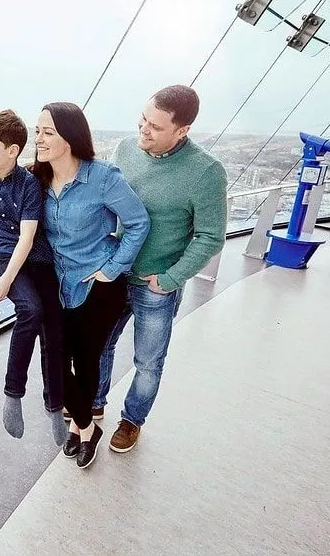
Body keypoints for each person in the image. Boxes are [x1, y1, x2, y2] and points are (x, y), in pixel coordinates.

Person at [93, 85, 228, 453]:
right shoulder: (125, 150)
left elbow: (211, 237)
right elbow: (105, 204)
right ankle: (94, 401)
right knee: (100, 345)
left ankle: (131, 420)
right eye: (142, 119)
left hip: (156, 284)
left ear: (181, 131)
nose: (143, 130)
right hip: (114, 273)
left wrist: (170, 279)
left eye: (155, 126)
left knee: (148, 362)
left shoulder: (206, 172)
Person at [31, 102, 150, 469]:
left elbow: (138, 223)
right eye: (37, 131)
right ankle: (87, 426)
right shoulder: (36, 179)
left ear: (70, 137)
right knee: (54, 363)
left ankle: (80, 430)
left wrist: (112, 269)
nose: (39, 139)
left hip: (98, 287)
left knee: (85, 361)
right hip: (56, 286)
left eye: (47, 132)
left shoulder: (103, 177)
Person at [0, 109, 68, 446]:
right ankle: (13, 393)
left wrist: (5, 281)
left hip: (35, 257)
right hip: (5, 258)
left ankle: (54, 405)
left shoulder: (31, 183)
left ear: (13, 150)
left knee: (54, 326)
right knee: (30, 311)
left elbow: (28, 236)